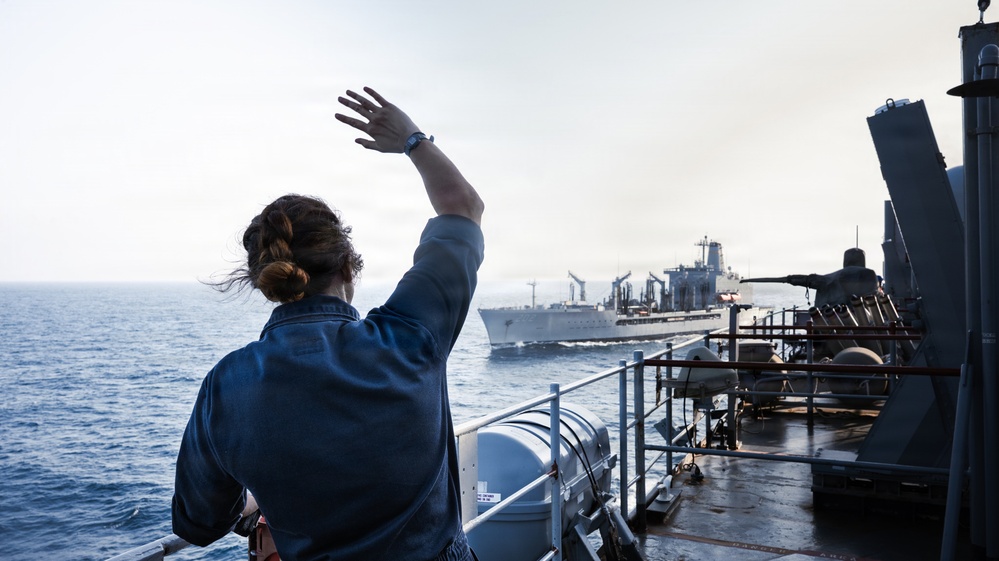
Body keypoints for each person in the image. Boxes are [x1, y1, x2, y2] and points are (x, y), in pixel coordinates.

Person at [171, 86, 485, 561]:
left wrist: (253, 500)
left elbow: (196, 523)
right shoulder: (410, 337)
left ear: (265, 282)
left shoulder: (226, 387)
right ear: (347, 268)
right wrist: (411, 139)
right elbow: (462, 208)